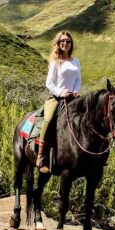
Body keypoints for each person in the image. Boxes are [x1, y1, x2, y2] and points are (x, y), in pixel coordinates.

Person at [37, 31, 80, 173]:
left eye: (68, 41)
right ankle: (41, 156)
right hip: (56, 98)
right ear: (58, 43)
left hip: (72, 98)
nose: (65, 43)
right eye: (63, 41)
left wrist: (75, 91)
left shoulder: (76, 61)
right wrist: (61, 93)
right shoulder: (55, 61)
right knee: (48, 120)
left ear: (71, 44)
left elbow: (78, 79)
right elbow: (49, 83)